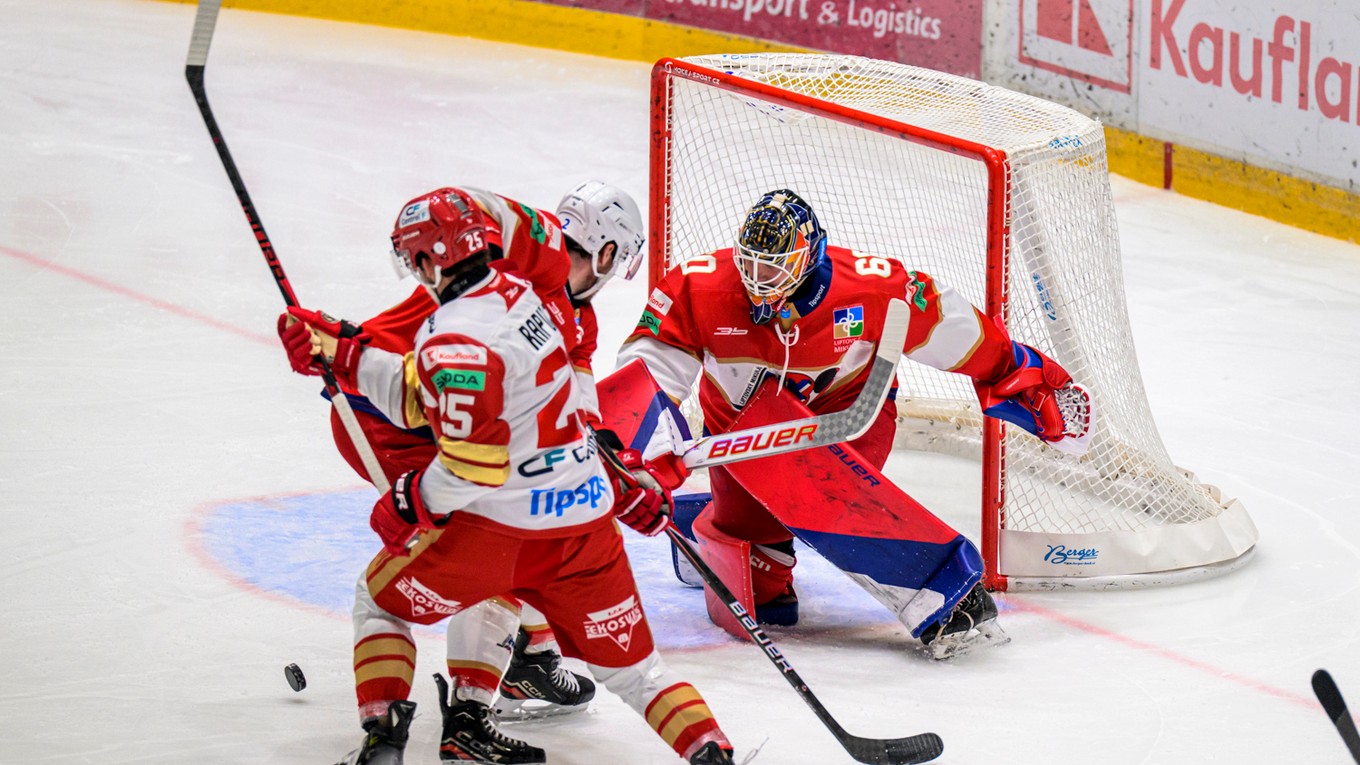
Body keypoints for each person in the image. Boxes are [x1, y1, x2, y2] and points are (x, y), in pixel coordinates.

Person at [283, 187, 735, 765]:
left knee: (485, 557)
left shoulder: (550, 296)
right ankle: (486, 700)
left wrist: (622, 474)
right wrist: (340, 351)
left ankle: (457, 706)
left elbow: (567, 419)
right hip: (389, 425)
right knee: (509, 568)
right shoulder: (527, 290)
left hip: (467, 447)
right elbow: (443, 418)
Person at [615, 188, 1089, 659]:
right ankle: (709, 517)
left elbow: (952, 326)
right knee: (761, 599)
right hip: (741, 435)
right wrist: (645, 455)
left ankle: (940, 588)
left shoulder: (873, 289)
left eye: (773, 267)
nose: (759, 280)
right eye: (751, 264)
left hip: (847, 422)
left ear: (808, 257)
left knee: (826, 493)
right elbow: (645, 375)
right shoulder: (697, 287)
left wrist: (1012, 368)